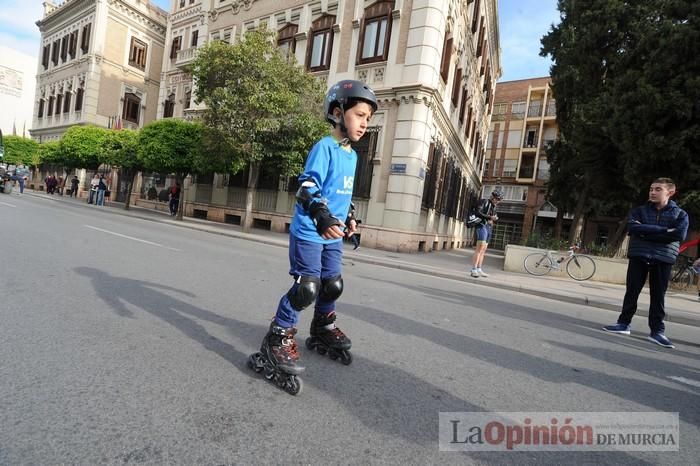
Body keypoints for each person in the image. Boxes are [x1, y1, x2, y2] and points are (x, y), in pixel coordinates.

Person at [247, 80, 377, 394]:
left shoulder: (352, 156)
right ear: (337, 112)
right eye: (359, 115)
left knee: (333, 284)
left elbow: (342, 195)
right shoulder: (325, 147)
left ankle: (322, 327)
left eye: (368, 119)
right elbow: (306, 187)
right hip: (309, 231)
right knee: (307, 288)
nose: (364, 123)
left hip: (332, 235)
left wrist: (349, 218)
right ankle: (278, 335)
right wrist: (320, 214)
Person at [603, 178, 689, 348]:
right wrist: (664, 231)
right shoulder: (639, 211)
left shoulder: (680, 214)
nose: (652, 192)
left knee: (658, 297)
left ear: (670, 192)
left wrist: (646, 231)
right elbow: (634, 228)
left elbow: (678, 235)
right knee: (632, 292)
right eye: (651, 189)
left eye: (658, 189)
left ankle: (657, 332)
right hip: (639, 255)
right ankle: (623, 324)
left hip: (663, 259)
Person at [470, 190, 502, 278]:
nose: (498, 201)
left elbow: (492, 216)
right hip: (481, 226)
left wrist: (494, 218)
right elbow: (478, 212)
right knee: (479, 248)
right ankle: (473, 270)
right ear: (492, 197)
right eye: (497, 199)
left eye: (499, 200)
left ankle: (479, 269)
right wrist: (489, 217)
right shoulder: (484, 201)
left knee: (483, 250)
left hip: (489, 227)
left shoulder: (493, 206)